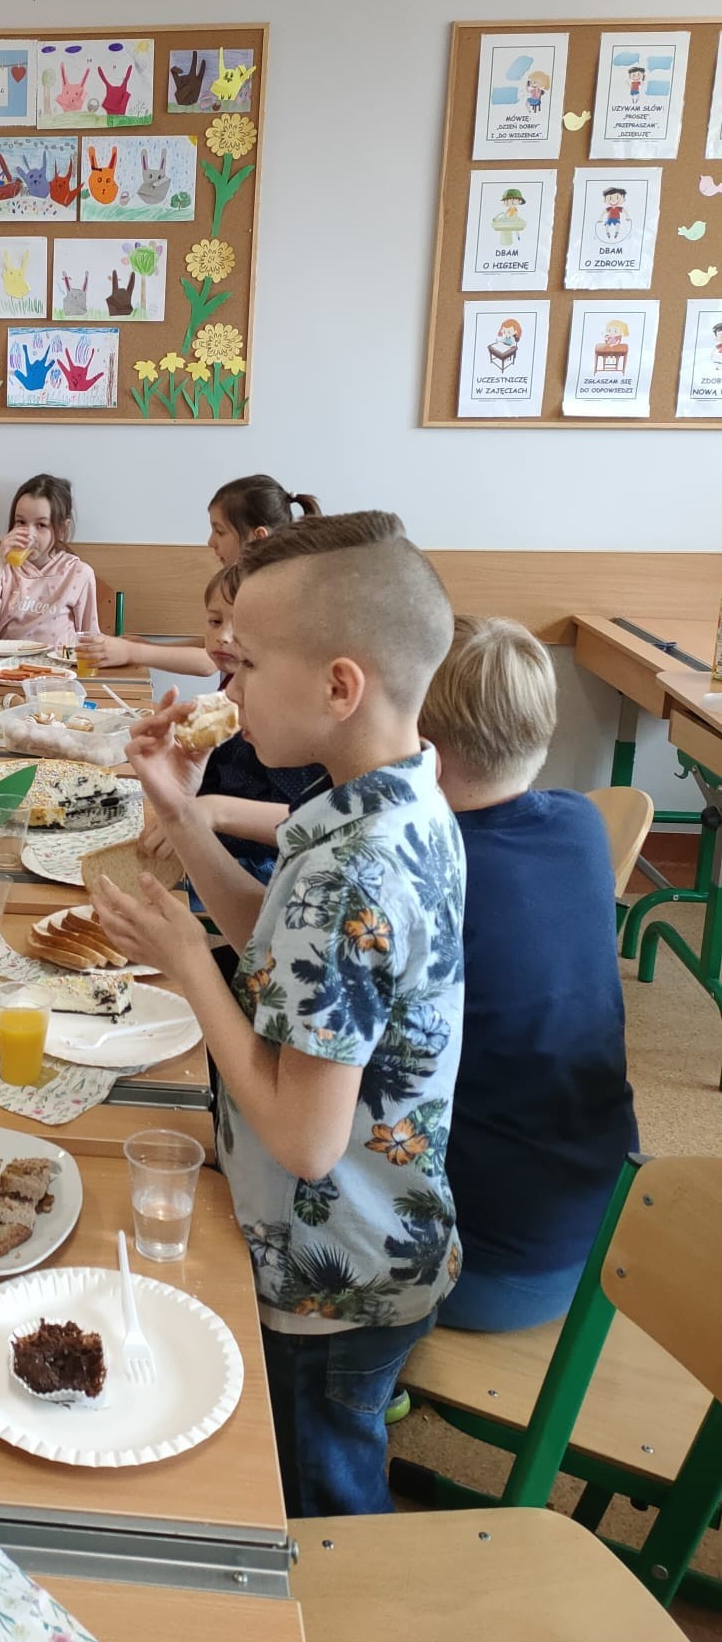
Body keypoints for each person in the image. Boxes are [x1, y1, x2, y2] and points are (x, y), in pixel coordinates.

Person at [92, 511, 464, 1518]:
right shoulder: (392, 800)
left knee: (318, 1509)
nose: (227, 682)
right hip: (380, 1233)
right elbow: (285, 949)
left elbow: (305, 1137)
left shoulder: (352, 870)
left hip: (329, 1275)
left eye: (247, 662)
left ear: (340, 686)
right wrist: (181, 813)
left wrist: (188, 964)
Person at [419, 616, 637, 1333]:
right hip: (606, 1237)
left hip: (482, 1268)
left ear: (423, 751)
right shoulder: (577, 822)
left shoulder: (433, 874)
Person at [141, 567, 326, 891]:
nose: (224, 637)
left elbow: (308, 820)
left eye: (241, 629)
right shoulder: (230, 695)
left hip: (258, 870)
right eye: (215, 621)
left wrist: (208, 814)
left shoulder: (288, 724)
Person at [79, 472, 321, 676]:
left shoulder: (268, 593)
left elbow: (209, 662)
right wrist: (150, 646)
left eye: (220, 531)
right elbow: (210, 644)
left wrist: (134, 652)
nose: (210, 541)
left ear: (258, 537)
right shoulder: (247, 582)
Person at [0, 474, 98, 648]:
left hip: (56, 663)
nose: (28, 534)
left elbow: (90, 638)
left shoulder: (78, 573)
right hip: (6, 661)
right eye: (21, 522)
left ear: (62, 529)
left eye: (41, 525)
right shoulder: (5, 570)